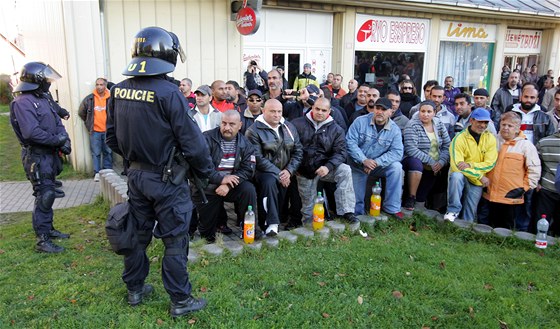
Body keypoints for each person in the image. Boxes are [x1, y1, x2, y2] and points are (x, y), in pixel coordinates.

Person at [105, 27, 212, 316]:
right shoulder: (169, 93)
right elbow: (194, 144)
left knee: (138, 235)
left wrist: (135, 159)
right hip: (168, 180)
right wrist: (207, 172)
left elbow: (111, 139)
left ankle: (135, 289)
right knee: (176, 240)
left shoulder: (117, 90)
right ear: (167, 54)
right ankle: (180, 300)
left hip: (136, 177)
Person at [10, 61, 71, 253]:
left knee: (50, 192)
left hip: (49, 154)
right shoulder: (22, 102)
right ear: (36, 79)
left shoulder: (44, 98)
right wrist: (57, 141)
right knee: (44, 195)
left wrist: (65, 140)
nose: (49, 82)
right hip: (36, 156)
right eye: (46, 79)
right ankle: (42, 240)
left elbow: (57, 122)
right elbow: (31, 133)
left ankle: (49, 229)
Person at [291, 97, 359, 224]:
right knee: (309, 209)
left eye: (323, 110)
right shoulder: (297, 124)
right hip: (304, 170)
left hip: (326, 168)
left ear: (329, 112)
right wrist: (293, 168)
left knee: (345, 170)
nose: (320, 112)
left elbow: (341, 152)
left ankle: (347, 211)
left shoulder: (336, 129)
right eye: (317, 109)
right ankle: (309, 229)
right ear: (312, 108)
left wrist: (328, 166)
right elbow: (290, 148)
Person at [193, 110, 257, 243]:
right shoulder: (206, 138)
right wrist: (220, 179)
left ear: (240, 125)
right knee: (206, 235)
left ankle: (248, 229)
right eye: (224, 123)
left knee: (248, 189)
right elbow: (201, 166)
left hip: (231, 184)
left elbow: (248, 170)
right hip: (208, 185)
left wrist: (227, 184)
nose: (227, 128)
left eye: (232, 124)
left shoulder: (245, 144)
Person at [245, 99, 303, 236]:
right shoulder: (253, 131)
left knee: (297, 184)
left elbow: (298, 151)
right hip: (263, 172)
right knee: (269, 182)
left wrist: (289, 171)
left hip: (287, 170)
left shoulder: (288, 127)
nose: (276, 115)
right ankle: (270, 224)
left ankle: (294, 220)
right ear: (263, 111)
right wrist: (279, 174)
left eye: (279, 111)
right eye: (272, 111)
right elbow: (257, 158)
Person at [479, 112, 540, 231]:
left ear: (518, 129)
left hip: (511, 196)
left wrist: (524, 188)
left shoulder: (526, 146)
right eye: (503, 124)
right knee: (486, 225)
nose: (506, 128)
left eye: (510, 126)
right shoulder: (492, 141)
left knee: (507, 228)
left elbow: (534, 170)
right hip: (489, 193)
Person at [346, 97, 405, 219]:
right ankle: (359, 216)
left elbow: (397, 152)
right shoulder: (360, 121)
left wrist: (376, 162)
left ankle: (391, 208)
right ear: (373, 109)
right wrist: (363, 160)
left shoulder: (395, 130)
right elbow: (349, 142)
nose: (380, 112)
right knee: (356, 206)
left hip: (378, 166)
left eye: (384, 109)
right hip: (357, 165)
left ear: (391, 112)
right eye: (377, 108)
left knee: (397, 167)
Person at [444, 109, 498, 222]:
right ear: (472, 120)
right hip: (473, 176)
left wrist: (469, 165)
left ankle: (466, 231)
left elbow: (490, 163)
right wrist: (479, 175)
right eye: (480, 122)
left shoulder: (491, 138)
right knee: (456, 176)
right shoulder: (459, 138)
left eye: (485, 123)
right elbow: (456, 166)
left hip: (477, 179)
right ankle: (452, 211)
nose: (483, 125)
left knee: (470, 213)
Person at [402, 101, 451, 211]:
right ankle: (411, 198)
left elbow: (447, 144)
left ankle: (433, 206)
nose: (425, 114)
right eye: (423, 111)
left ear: (434, 113)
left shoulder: (438, 124)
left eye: (429, 111)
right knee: (417, 164)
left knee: (446, 169)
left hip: (436, 160)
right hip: (416, 160)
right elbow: (411, 149)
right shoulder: (412, 125)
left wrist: (442, 161)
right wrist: (431, 161)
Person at [78, 77, 113, 181]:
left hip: (107, 130)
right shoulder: (89, 99)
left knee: (108, 151)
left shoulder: (111, 98)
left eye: (101, 84)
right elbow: (81, 112)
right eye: (97, 84)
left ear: (105, 86)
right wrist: (89, 124)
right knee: (96, 152)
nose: (99, 87)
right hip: (95, 131)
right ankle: (97, 172)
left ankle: (108, 171)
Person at [536, 128, 560, 236]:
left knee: (543, 223)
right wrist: (536, 182)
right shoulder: (544, 142)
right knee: (542, 222)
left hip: (546, 187)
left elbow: (535, 164)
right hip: (546, 189)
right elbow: (535, 165)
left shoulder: (544, 142)